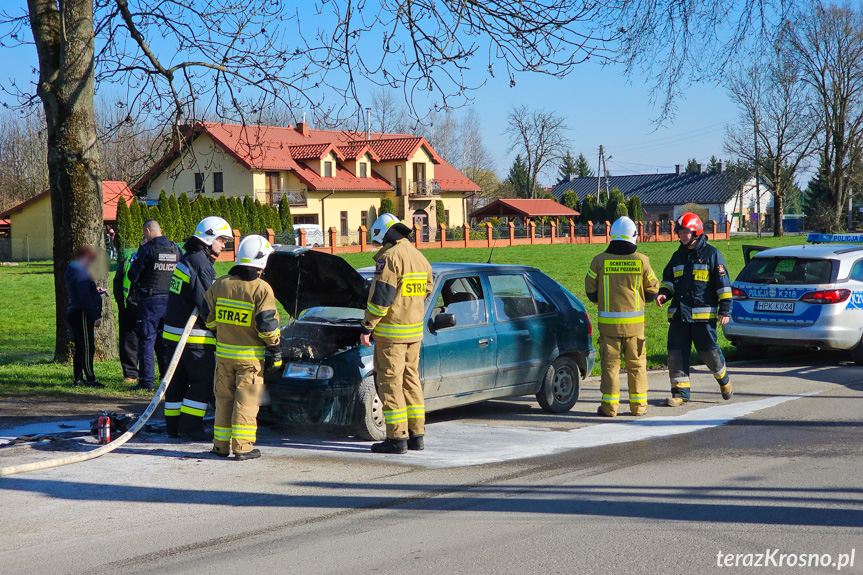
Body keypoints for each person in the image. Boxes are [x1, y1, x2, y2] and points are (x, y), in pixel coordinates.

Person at [359, 213, 433, 454]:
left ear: (386, 235)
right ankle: (417, 435)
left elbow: (381, 298)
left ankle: (396, 438)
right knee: (411, 382)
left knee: (390, 384)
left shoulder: (391, 258)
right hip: (414, 333)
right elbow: (428, 289)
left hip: (391, 335)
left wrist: (367, 326)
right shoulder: (420, 257)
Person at [204, 235, 281, 461]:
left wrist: (220, 331)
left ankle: (220, 446)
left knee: (224, 400)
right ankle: (243, 448)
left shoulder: (221, 284)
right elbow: (267, 327)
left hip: (224, 358)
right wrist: (276, 350)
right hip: (250, 361)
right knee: (247, 401)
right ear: (262, 261)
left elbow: (207, 316)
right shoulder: (261, 289)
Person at [162, 217, 232, 440]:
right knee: (203, 382)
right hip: (194, 339)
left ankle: (173, 428)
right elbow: (207, 305)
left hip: (174, 336)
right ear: (209, 238)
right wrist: (220, 330)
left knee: (176, 383)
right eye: (222, 239)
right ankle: (190, 427)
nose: (224, 245)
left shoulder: (187, 259)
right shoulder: (201, 264)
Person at [656, 212, 733, 406]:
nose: (682, 235)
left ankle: (723, 380)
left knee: (709, 354)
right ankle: (680, 394)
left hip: (703, 318)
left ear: (696, 232)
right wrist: (664, 293)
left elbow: (723, 285)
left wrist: (725, 310)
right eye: (680, 232)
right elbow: (669, 281)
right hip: (679, 316)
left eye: (686, 232)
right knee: (676, 354)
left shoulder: (712, 255)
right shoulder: (677, 256)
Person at [585, 217, 659, 417]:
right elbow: (652, 291)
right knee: (636, 366)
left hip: (609, 329)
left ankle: (609, 408)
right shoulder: (642, 261)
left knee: (610, 368)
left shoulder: (599, 261)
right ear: (634, 236)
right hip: (635, 328)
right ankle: (638, 407)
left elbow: (590, 292)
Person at [127, 220, 182, 392]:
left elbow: (132, 275)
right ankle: (169, 380)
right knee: (167, 342)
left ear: (148, 231)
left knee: (147, 340)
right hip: (171, 301)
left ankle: (146, 382)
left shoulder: (148, 249)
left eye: (145, 233)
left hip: (150, 301)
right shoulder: (175, 249)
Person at [65, 246, 106, 388]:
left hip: (74, 311)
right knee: (88, 347)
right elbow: (84, 298)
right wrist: (95, 316)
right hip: (82, 312)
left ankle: (78, 378)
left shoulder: (74, 271)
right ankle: (90, 378)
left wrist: (95, 291)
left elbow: (82, 291)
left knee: (80, 347)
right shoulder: (81, 273)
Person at [113, 248, 139, 385]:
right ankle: (131, 374)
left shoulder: (130, 259)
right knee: (130, 340)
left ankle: (133, 375)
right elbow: (118, 281)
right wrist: (121, 304)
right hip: (131, 305)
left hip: (142, 305)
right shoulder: (129, 260)